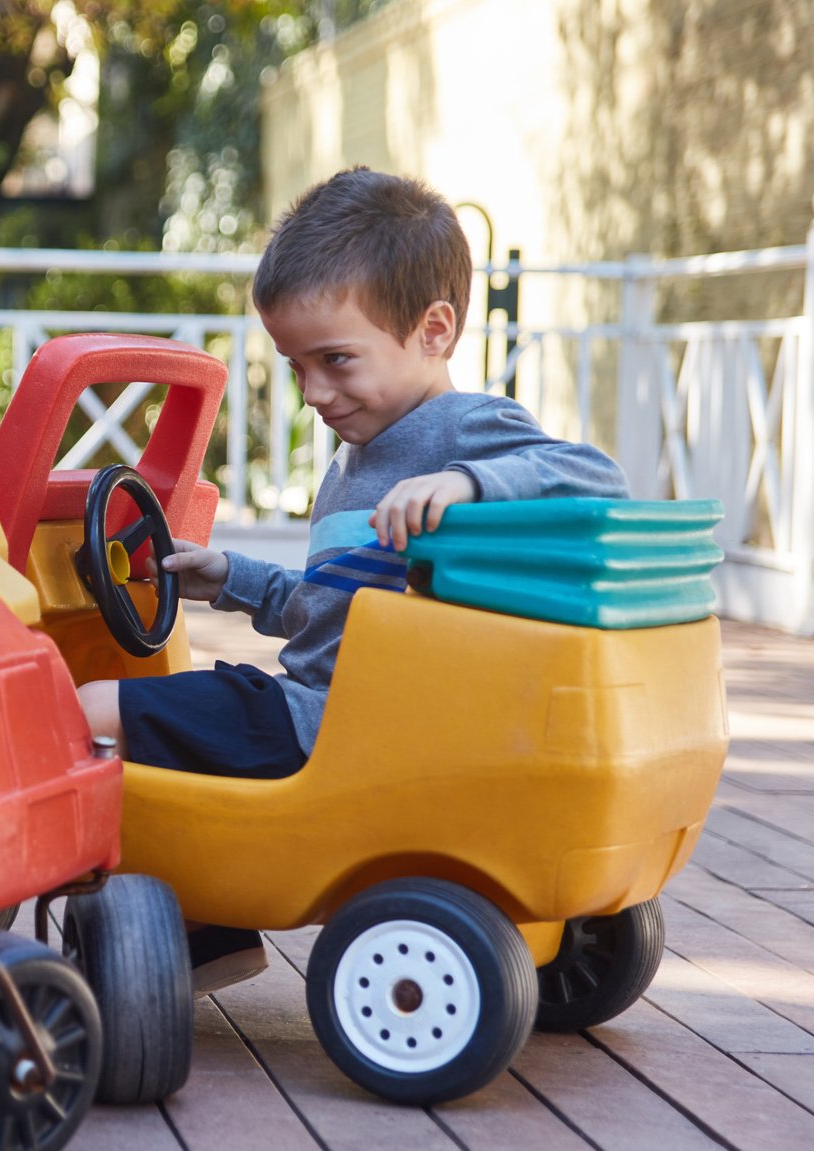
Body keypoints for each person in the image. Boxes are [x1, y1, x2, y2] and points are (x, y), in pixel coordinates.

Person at [77, 166, 630, 993]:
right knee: (180, 713)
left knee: (90, 706)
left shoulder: (462, 427)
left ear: (434, 330)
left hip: (330, 725)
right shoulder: (355, 464)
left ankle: (170, 913)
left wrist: (470, 483)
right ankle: (209, 924)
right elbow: (329, 605)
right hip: (326, 708)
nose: (313, 392)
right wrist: (231, 577)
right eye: (296, 366)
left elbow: (596, 477)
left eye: (336, 359)